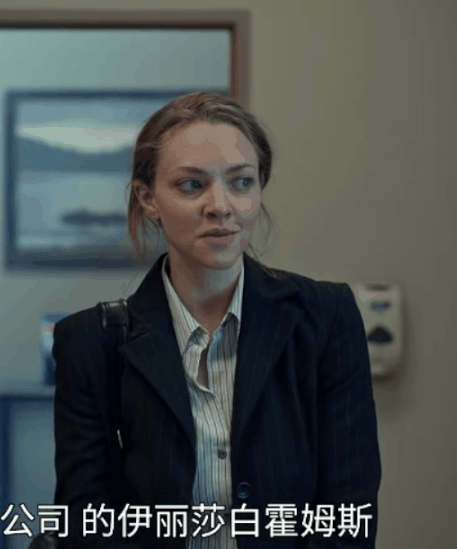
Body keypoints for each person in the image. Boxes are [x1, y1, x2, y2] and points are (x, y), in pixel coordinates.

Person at [51, 92, 381, 549]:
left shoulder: (324, 318)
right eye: (192, 185)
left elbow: (348, 515)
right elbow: (87, 523)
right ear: (148, 198)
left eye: (241, 182)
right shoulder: (91, 341)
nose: (221, 205)